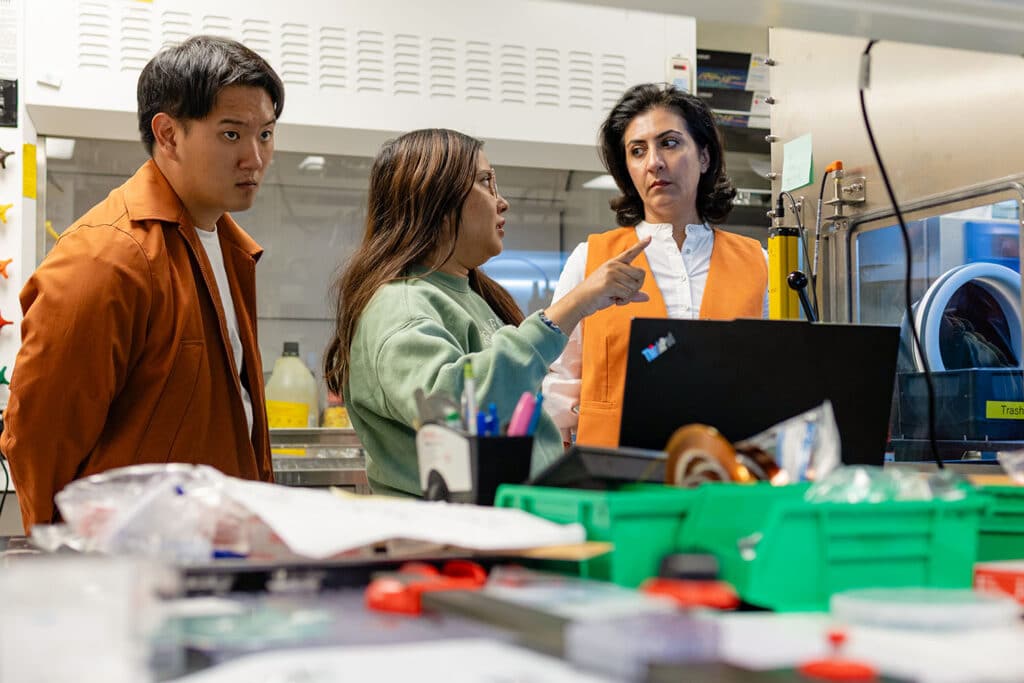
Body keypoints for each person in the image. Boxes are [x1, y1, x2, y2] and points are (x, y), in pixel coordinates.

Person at [0, 36, 284, 531]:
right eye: (232, 135)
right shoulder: (107, 256)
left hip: (206, 559)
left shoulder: (227, 246)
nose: (255, 159)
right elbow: (40, 437)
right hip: (130, 572)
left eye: (265, 134)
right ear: (169, 134)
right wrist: (74, 561)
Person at [324, 128, 651, 497]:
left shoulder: (470, 296)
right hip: (451, 539)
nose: (502, 202)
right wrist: (569, 308)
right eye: (485, 182)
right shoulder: (399, 306)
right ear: (435, 198)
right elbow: (454, 409)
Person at [543, 83, 769, 448]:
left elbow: (775, 381)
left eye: (670, 142)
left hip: (725, 473)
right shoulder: (591, 259)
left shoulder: (758, 263)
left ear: (705, 157)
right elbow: (561, 382)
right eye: (637, 150)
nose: (654, 162)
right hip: (613, 478)